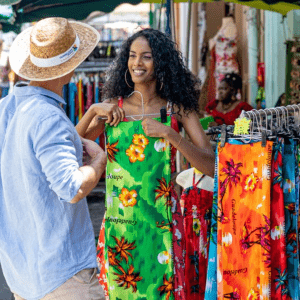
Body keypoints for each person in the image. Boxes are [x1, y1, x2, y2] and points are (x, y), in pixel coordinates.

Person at [76, 28, 215, 299]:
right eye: (132, 56)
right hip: (121, 230)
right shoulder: (111, 109)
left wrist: (171, 135)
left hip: (163, 226)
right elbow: (72, 147)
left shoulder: (178, 110)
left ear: (160, 62)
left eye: (146, 56)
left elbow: (212, 167)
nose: (137, 63)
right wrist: (93, 110)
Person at [0, 17, 106, 300]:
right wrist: (98, 163)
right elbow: (71, 187)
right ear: (71, 68)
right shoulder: (48, 117)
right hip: (62, 273)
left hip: (21, 270)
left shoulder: (7, 108)